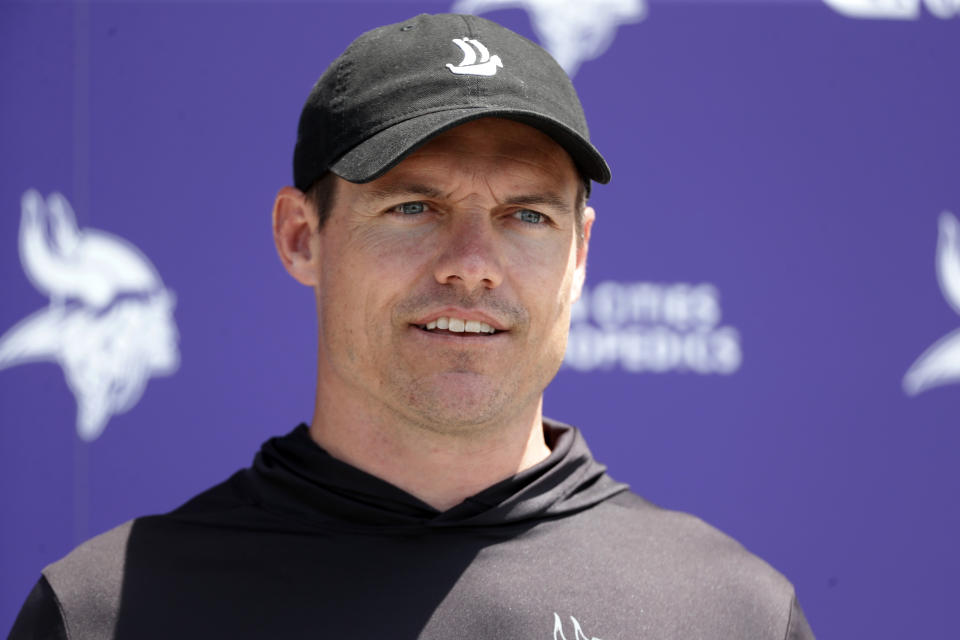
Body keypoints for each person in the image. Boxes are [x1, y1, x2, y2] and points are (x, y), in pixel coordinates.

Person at [9, 13, 813, 639]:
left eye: (525, 215)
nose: (471, 262)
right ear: (301, 237)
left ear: (580, 253)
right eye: (414, 207)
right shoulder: (107, 612)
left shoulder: (729, 614)